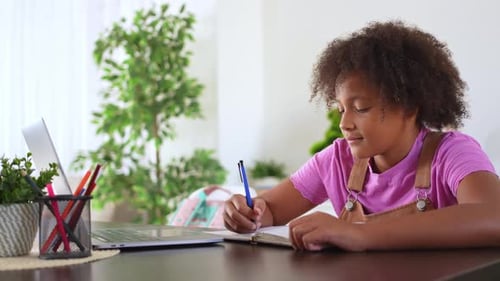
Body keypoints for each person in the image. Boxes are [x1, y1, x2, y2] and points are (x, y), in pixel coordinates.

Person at [223, 20, 500, 251]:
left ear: (409, 106)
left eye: (361, 108)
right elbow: (271, 210)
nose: (344, 123)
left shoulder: (452, 154)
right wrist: (249, 213)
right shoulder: (336, 160)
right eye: (341, 109)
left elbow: (493, 216)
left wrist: (360, 234)